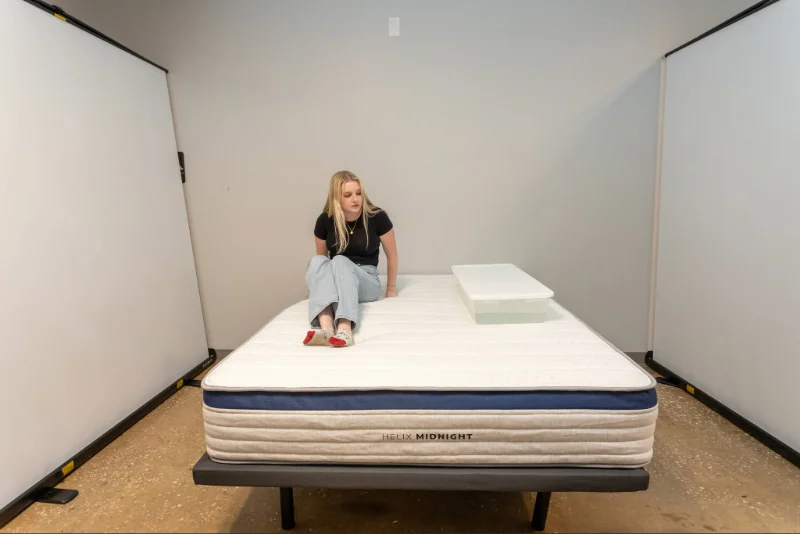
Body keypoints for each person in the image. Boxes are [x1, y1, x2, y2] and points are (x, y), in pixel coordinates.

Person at [303, 170, 398, 347]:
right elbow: (322, 264)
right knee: (317, 262)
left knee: (339, 260)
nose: (356, 199)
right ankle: (326, 328)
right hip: (338, 279)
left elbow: (392, 255)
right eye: (348, 195)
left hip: (366, 280)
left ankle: (345, 329)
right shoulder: (325, 221)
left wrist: (391, 289)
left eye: (359, 193)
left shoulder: (377, 217)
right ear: (336, 198)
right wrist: (319, 289)